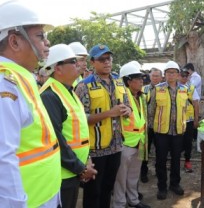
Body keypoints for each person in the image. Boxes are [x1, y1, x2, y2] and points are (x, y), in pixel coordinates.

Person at [0, 0, 61, 207]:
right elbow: (2, 157)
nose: (47, 43)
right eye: (40, 36)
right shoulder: (5, 83)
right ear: (15, 42)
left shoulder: (20, 77)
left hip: (43, 193)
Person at [40, 44, 97, 208]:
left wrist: (85, 161)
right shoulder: (50, 95)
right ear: (58, 68)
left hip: (73, 170)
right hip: (62, 173)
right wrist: (81, 168)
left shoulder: (67, 91)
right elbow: (57, 140)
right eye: (73, 61)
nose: (78, 64)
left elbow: (77, 133)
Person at [75, 44, 132, 208]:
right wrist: (109, 113)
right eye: (102, 59)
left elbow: (128, 106)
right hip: (95, 150)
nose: (107, 62)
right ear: (93, 62)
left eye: (109, 58)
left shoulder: (119, 82)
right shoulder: (84, 86)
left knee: (108, 188)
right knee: (93, 192)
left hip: (116, 147)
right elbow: (79, 119)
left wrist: (126, 110)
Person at [148, 60, 188, 200]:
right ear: (165, 75)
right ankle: (162, 187)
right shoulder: (157, 89)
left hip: (178, 132)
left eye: (174, 72)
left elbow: (185, 110)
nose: (171, 75)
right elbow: (151, 110)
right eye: (169, 72)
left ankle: (174, 184)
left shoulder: (184, 89)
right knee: (161, 160)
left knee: (176, 160)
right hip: (161, 133)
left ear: (178, 75)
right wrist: (153, 129)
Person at [113, 62, 150, 208]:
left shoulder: (141, 97)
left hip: (139, 141)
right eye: (138, 78)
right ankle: (119, 204)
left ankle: (133, 200)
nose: (142, 81)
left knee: (134, 175)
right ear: (128, 81)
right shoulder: (121, 95)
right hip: (125, 142)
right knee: (121, 178)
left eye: (142, 78)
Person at [140, 67, 163, 183]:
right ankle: (143, 172)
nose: (155, 78)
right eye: (153, 75)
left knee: (160, 151)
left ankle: (160, 172)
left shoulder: (165, 90)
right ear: (149, 77)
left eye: (157, 76)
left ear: (161, 77)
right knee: (145, 150)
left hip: (160, 126)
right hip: (146, 125)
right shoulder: (143, 89)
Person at [178, 68, 199, 173]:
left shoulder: (191, 88)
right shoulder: (174, 87)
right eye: (182, 75)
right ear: (178, 76)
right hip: (177, 120)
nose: (184, 77)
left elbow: (196, 104)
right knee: (176, 141)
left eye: (186, 76)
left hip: (189, 120)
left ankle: (187, 161)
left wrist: (196, 119)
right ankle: (175, 160)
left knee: (188, 142)